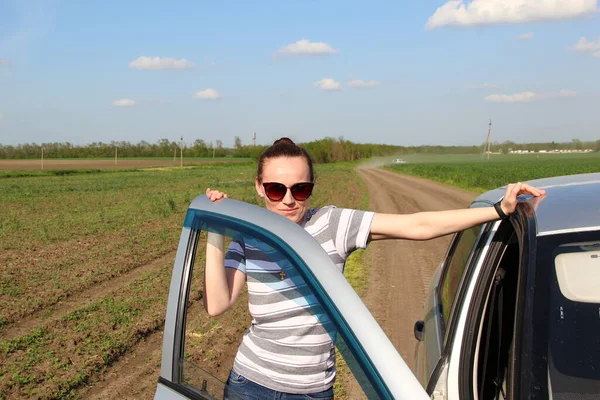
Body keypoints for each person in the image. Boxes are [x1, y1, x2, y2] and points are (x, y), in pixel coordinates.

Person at [203, 138, 545, 400]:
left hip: (310, 390)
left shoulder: (333, 224)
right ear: (259, 187)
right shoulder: (250, 236)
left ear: (312, 188)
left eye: (301, 189)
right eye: (276, 189)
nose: (289, 200)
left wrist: (498, 210)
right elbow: (217, 304)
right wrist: (215, 230)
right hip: (249, 383)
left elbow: (418, 225)